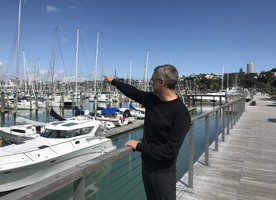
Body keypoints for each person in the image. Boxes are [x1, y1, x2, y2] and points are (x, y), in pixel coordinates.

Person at [104, 64, 191, 200]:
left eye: (152, 80)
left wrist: (139, 146)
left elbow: (169, 151)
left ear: (161, 82)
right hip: (147, 166)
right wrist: (113, 81)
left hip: (163, 172)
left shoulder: (181, 114)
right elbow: (132, 91)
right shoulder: (152, 99)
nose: (150, 82)